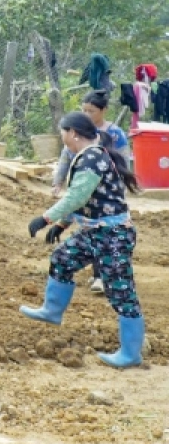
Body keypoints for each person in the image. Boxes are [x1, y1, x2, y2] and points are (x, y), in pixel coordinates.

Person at [23, 112, 145, 369]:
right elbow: (87, 199)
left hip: (112, 235)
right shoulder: (91, 155)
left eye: (62, 132)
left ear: (73, 133)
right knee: (62, 259)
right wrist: (62, 224)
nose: (61, 137)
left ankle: (131, 353)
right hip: (95, 231)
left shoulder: (91, 158)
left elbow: (76, 198)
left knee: (121, 291)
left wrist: (45, 219)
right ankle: (52, 311)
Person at [50, 90, 130, 293]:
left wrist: (49, 219)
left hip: (106, 195)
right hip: (87, 195)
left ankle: (101, 277)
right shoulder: (77, 134)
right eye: (83, 110)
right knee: (91, 230)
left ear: (103, 111)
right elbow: (65, 161)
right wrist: (58, 182)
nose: (87, 114)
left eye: (91, 111)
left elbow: (123, 161)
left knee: (100, 231)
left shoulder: (112, 135)